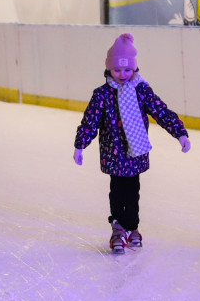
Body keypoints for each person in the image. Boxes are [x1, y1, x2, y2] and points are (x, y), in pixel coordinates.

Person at [73, 33, 191, 254]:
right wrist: (80, 145)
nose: (122, 74)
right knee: (117, 191)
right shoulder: (102, 94)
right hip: (114, 154)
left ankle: (132, 226)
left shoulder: (141, 90)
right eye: (117, 70)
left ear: (134, 68)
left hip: (135, 154)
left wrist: (180, 133)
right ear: (109, 68)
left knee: (133, 192)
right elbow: (90, 122)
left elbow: (161, 112)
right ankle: (118, 228)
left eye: (127, 69)